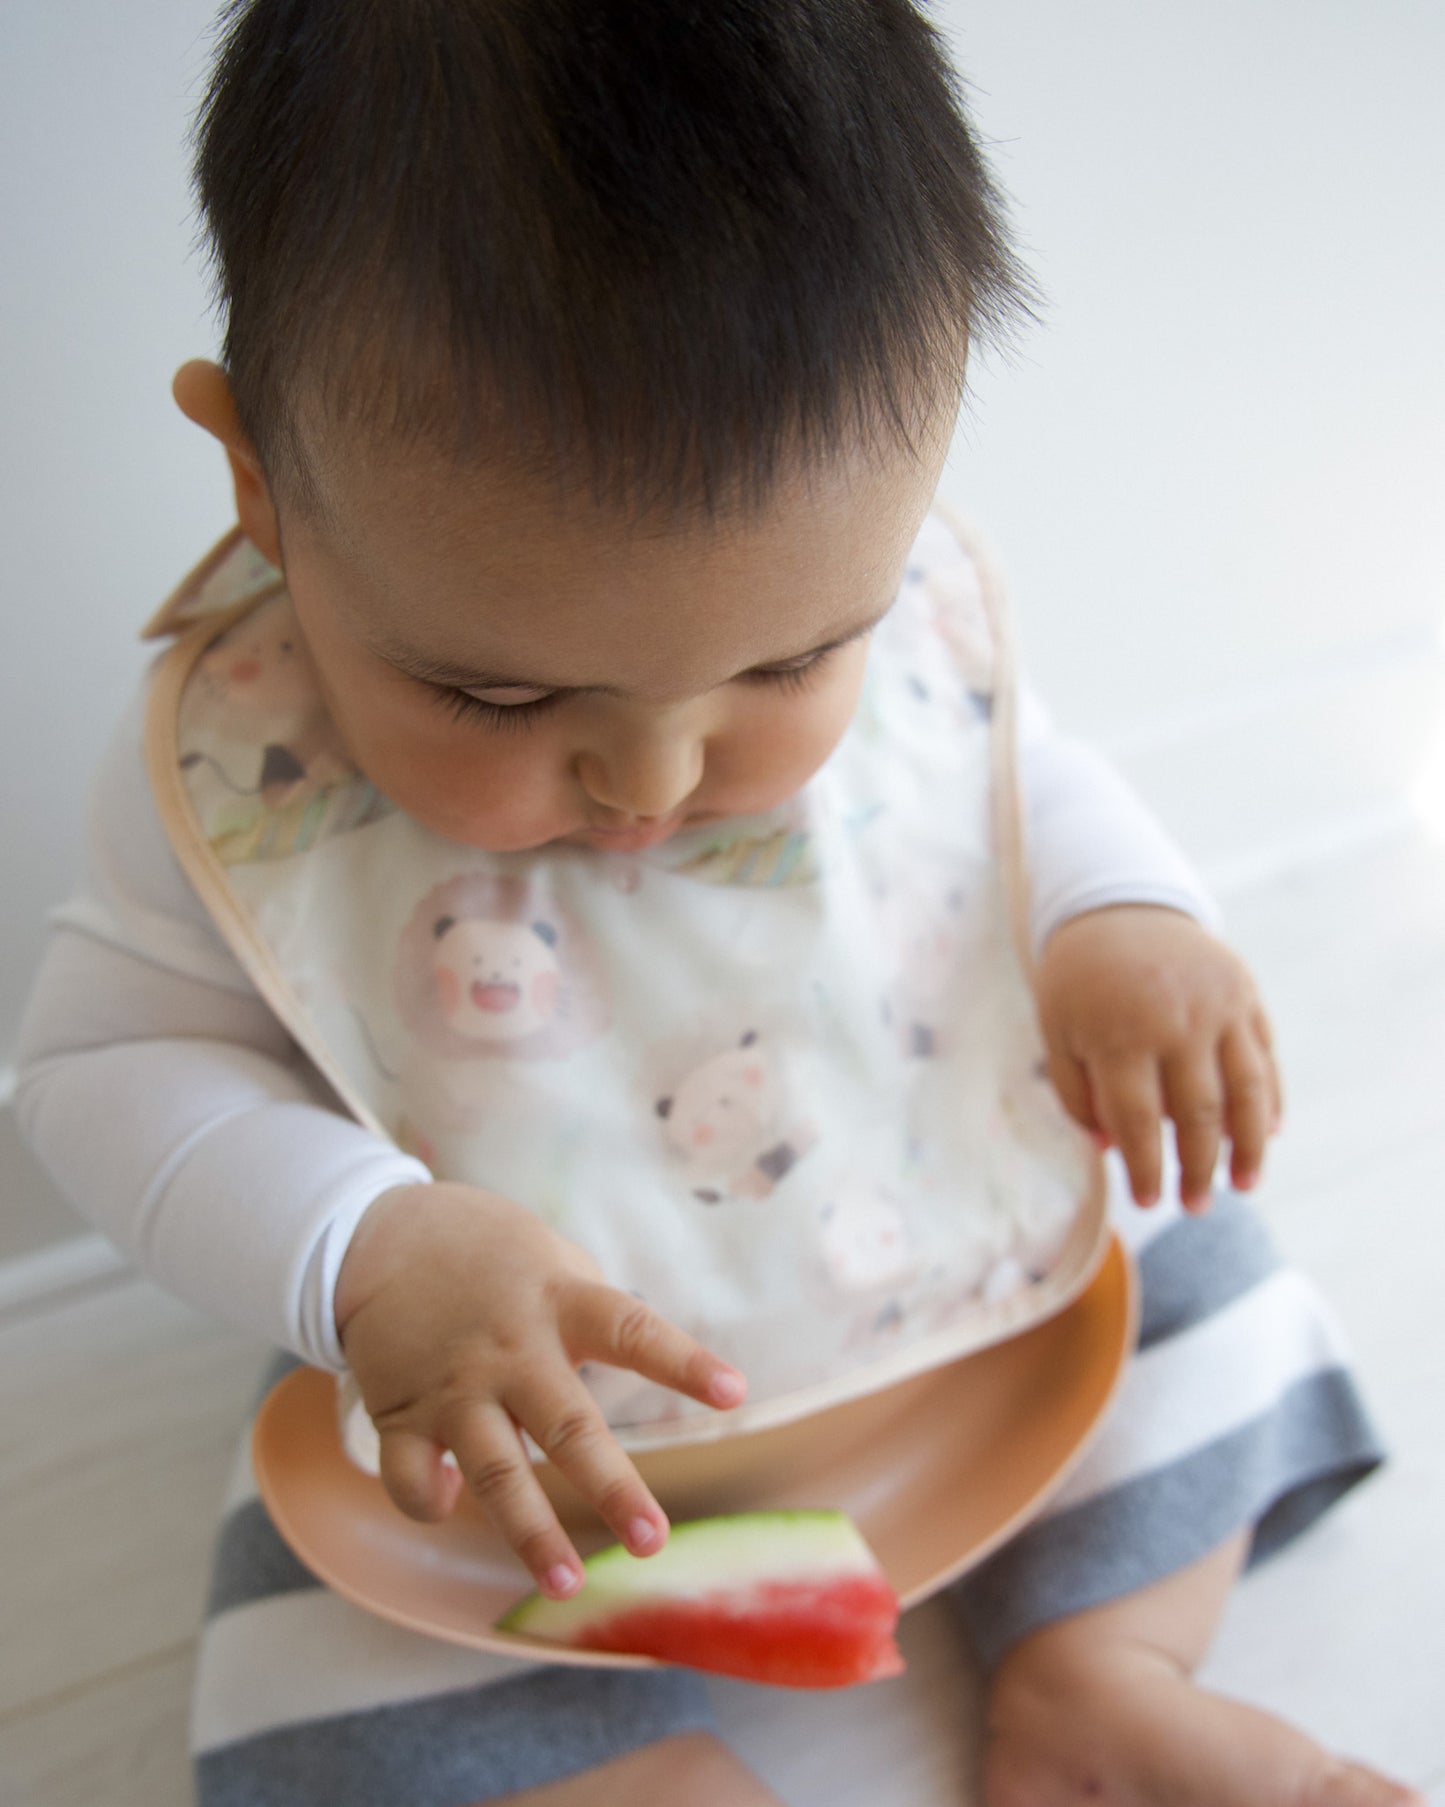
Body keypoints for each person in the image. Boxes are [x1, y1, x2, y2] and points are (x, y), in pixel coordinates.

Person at [14, 2, 1415, 1804]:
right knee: (317, 1652)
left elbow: (999, 781)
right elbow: (104, 1066)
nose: (654, 782)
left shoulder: (899, 612)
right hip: (547, 1440)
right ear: (264, 484)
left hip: (954, 1289)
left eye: (789, 663)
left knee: (1196, 1270)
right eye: (504, 701)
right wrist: (360, 1246)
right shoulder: (235, 773)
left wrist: (1116, 919)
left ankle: (1105, 1675)